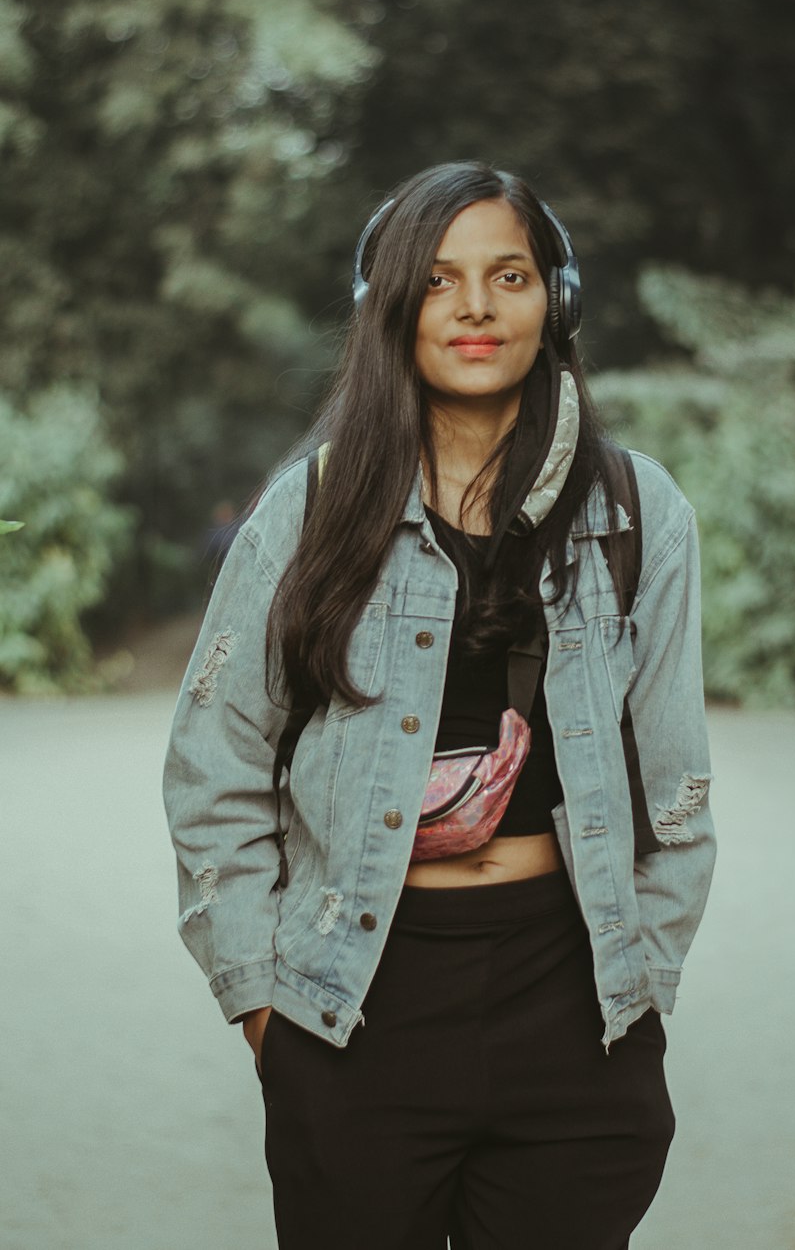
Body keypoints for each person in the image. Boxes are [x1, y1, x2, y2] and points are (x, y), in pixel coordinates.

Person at [163, 161, 716, 1250]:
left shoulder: (636, 510)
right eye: (438, 280)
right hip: (358, 1002)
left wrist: (643, 978)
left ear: (552, 303)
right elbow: (214, 766)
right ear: (389, 309)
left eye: (507, 275)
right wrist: (264, 1010)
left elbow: (676, 782)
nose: (473, 306)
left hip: (571, 1004)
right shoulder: (312, 513)